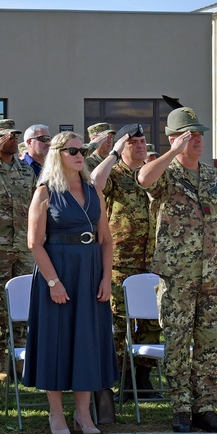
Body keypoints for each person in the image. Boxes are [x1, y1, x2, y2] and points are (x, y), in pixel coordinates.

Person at [137, 107, 217, 433]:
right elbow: (144, 178)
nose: (198, 140)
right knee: (177, 340)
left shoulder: (214, 177)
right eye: (191, 134)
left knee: (211, 340)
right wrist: (173, 152)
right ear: (174, 138)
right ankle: (180, 406)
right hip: (177, 273)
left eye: (200, 134)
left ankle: (205, 406)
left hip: (211, 273)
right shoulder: (166, 173)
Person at [23, 132, 117, 434]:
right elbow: (34, 243)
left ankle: (83, 414)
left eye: (83, 149)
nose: (80, 154)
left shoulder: (93, 191)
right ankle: (56, 414)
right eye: (73, 150)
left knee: (86, 340)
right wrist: (53, 282)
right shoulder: (45, 191)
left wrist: (106, 278)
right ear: (58, 154)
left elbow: (106, 241)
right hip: (58, 272)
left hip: (90, 273)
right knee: (56, 341)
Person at [90, 124, 161, 402]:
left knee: (152, 322)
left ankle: (141, 380)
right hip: (120, 261)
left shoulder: (153, 175)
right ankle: (118, 380)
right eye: (133, 142)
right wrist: (114, 154)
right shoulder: (114, 175)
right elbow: (95, 182)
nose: (141, 145)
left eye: (143, 140)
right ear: (122, 146)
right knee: (120, 324)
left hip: (152, 261)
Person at [0, 122, 35, 383]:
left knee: (24, 300)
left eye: (16, 135)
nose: (15, 139)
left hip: (24, 245)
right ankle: (0, 356)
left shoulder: (26, 171)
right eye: (8, 136)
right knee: (0, 302)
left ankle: (20, 355)